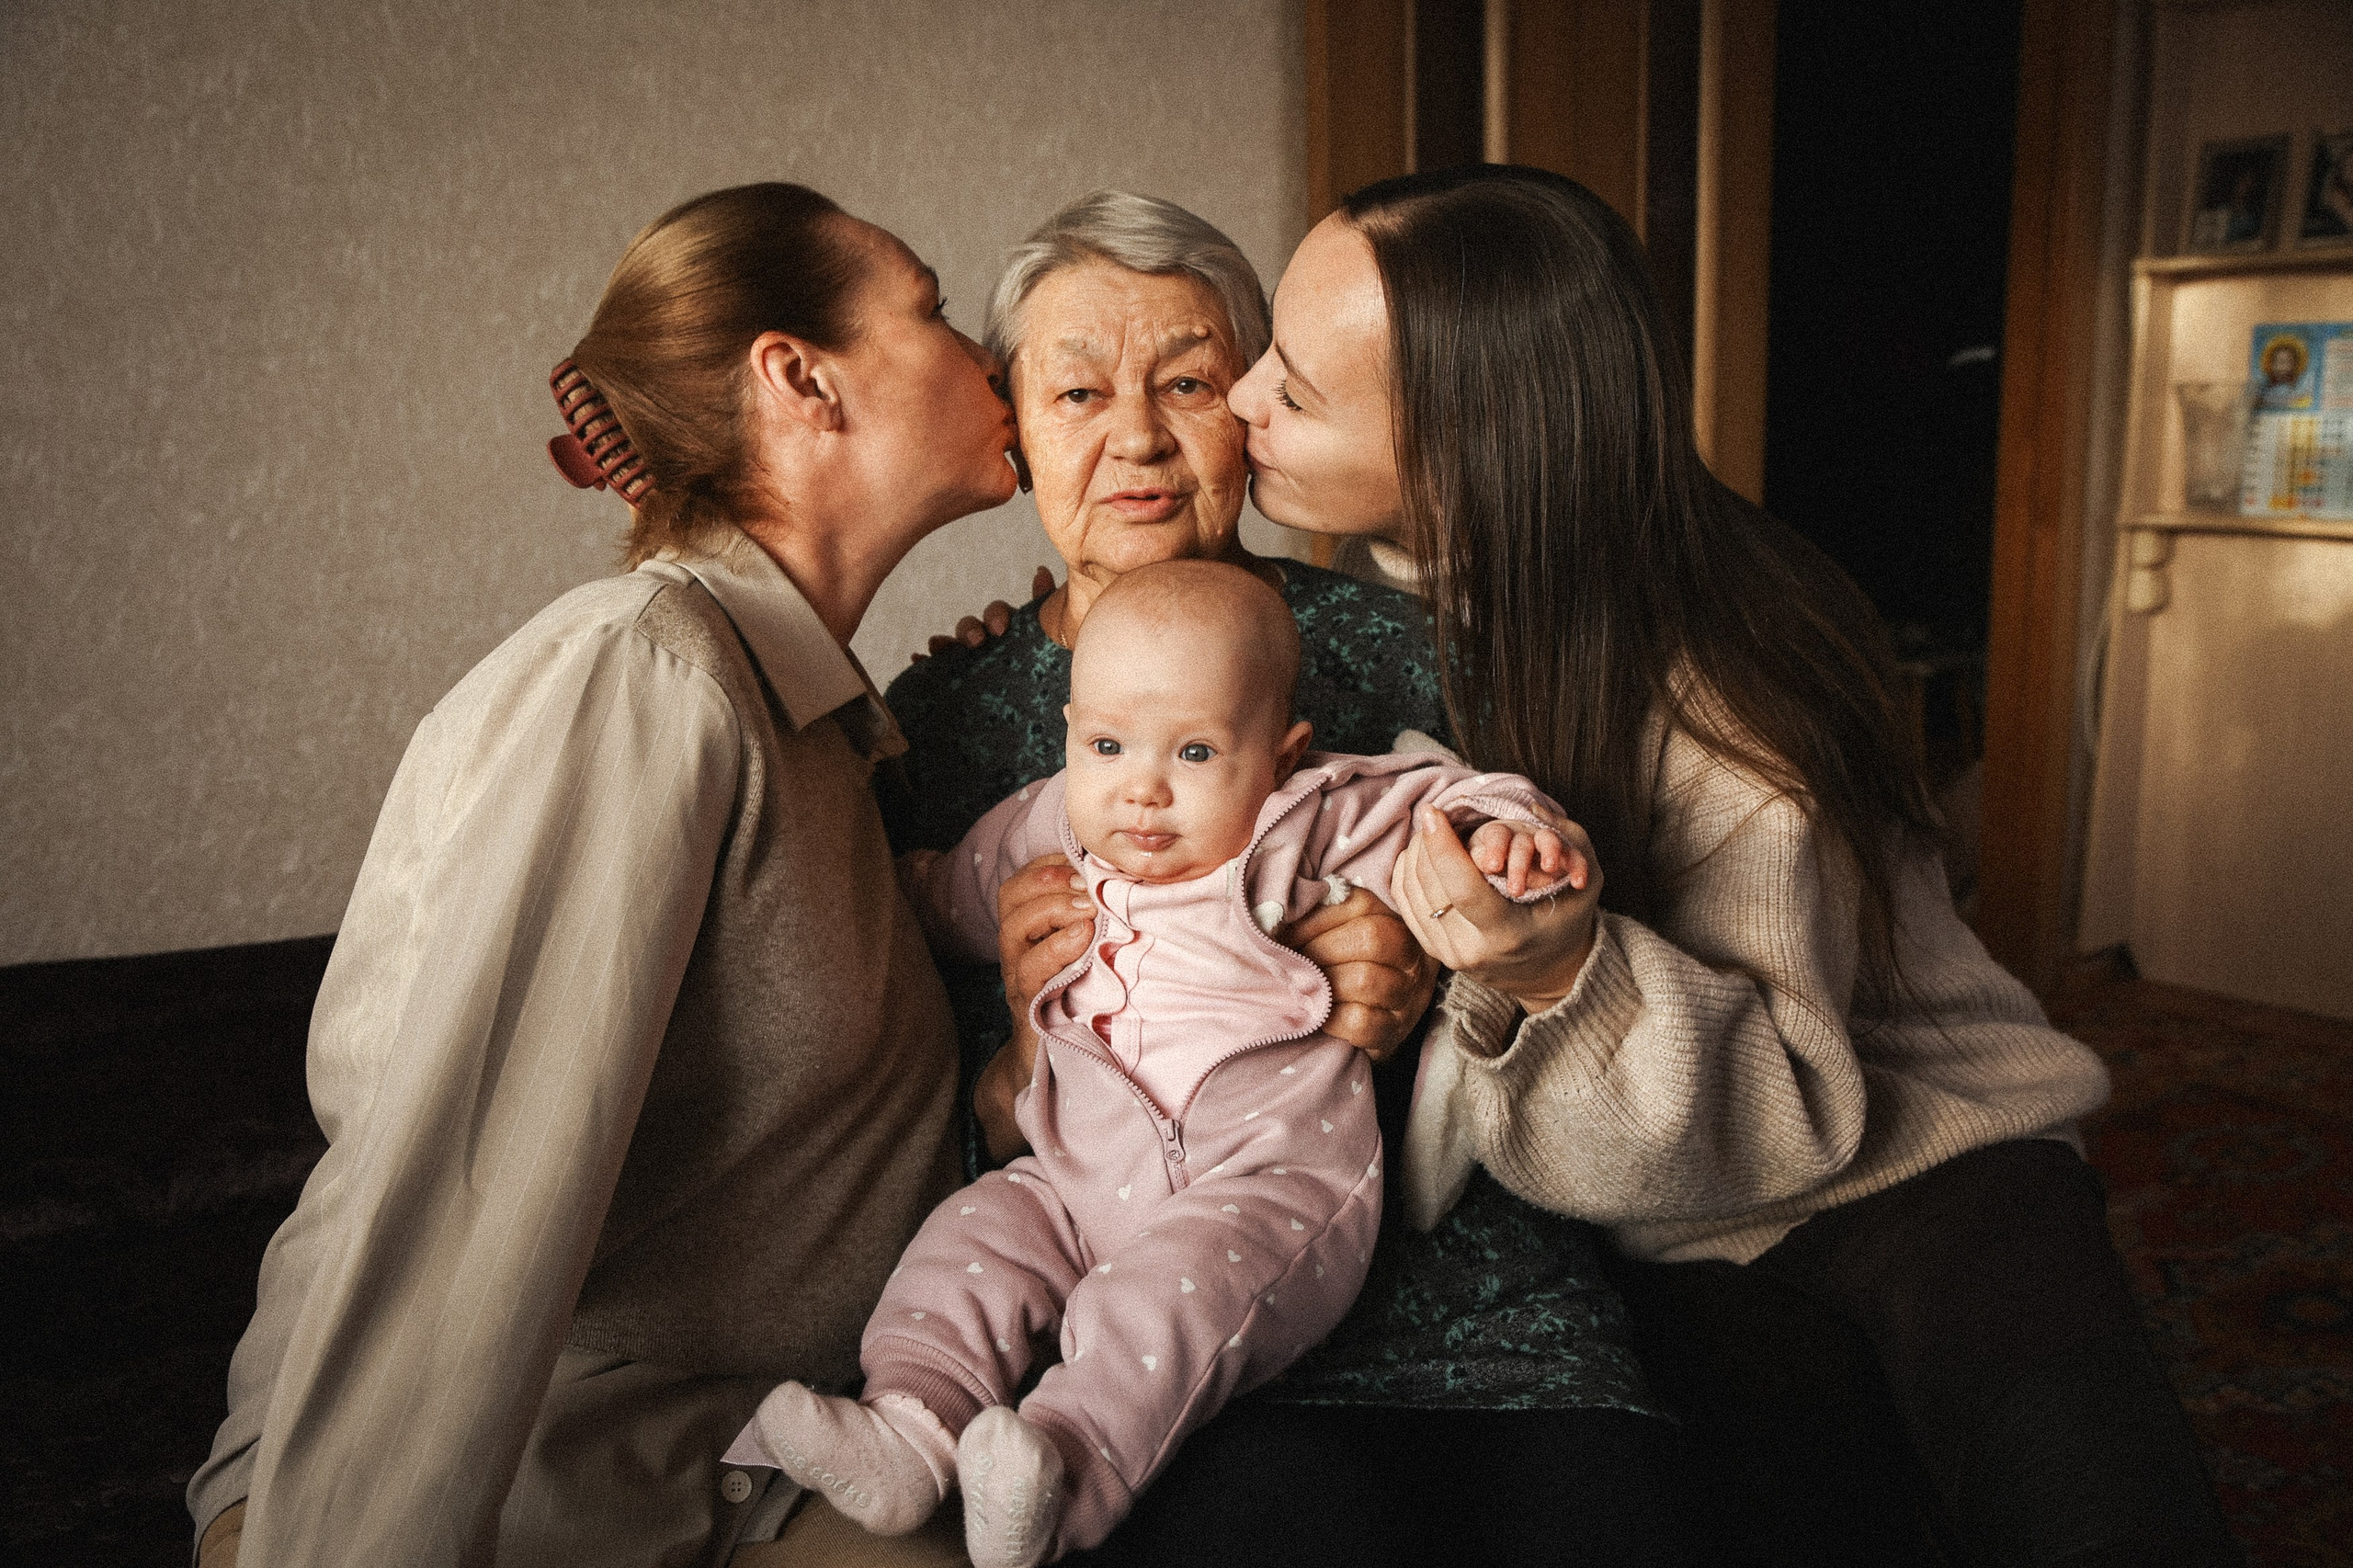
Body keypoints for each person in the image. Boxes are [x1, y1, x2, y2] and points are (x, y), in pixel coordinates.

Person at [1210, 163, 2240, 1566]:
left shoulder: (1719, 693)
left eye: (1295, 390)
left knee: (2091, 1497)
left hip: (1907, 1139)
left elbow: (1796, 1117)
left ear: (1465, 452)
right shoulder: (1350, 619)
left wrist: (1561, 967)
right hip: (1652, 1199)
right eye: (1268, 349)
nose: (1240, 399)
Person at [187, 182, 1024, 1568]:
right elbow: (469, 1181)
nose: (981, 347)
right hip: (499, 1472)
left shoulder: (831, 724)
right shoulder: (645, 671)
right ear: (798, 376)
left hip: (729, 1455)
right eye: (930, 308)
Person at [883, 191, 1688, 1568]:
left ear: (1247, 407)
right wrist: (1022, 1051)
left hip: (1485, 1317)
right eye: (1079, 391)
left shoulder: (1413, 649)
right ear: (1015, 428)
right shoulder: (947, 727)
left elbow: (1568, 923)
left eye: (1188, 381)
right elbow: (938, 1137)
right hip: (1143, 1338)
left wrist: (1439, 979)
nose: (1137, 437)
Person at [737, 561, 1583, 1566]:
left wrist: (1509, 840)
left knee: (1162, 1300)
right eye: (1105, 744)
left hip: (1265, 1183)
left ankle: (1064, 1464)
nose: (1140, 786)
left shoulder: (1300, 819)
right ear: (1068, 734)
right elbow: (930, 900)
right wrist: (848, 891)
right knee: (973, 1236)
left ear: (1281, 753)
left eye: (1192, 750)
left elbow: (1443, 801)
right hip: (1077, 1174)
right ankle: (910, 1423)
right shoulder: (1050, 822)